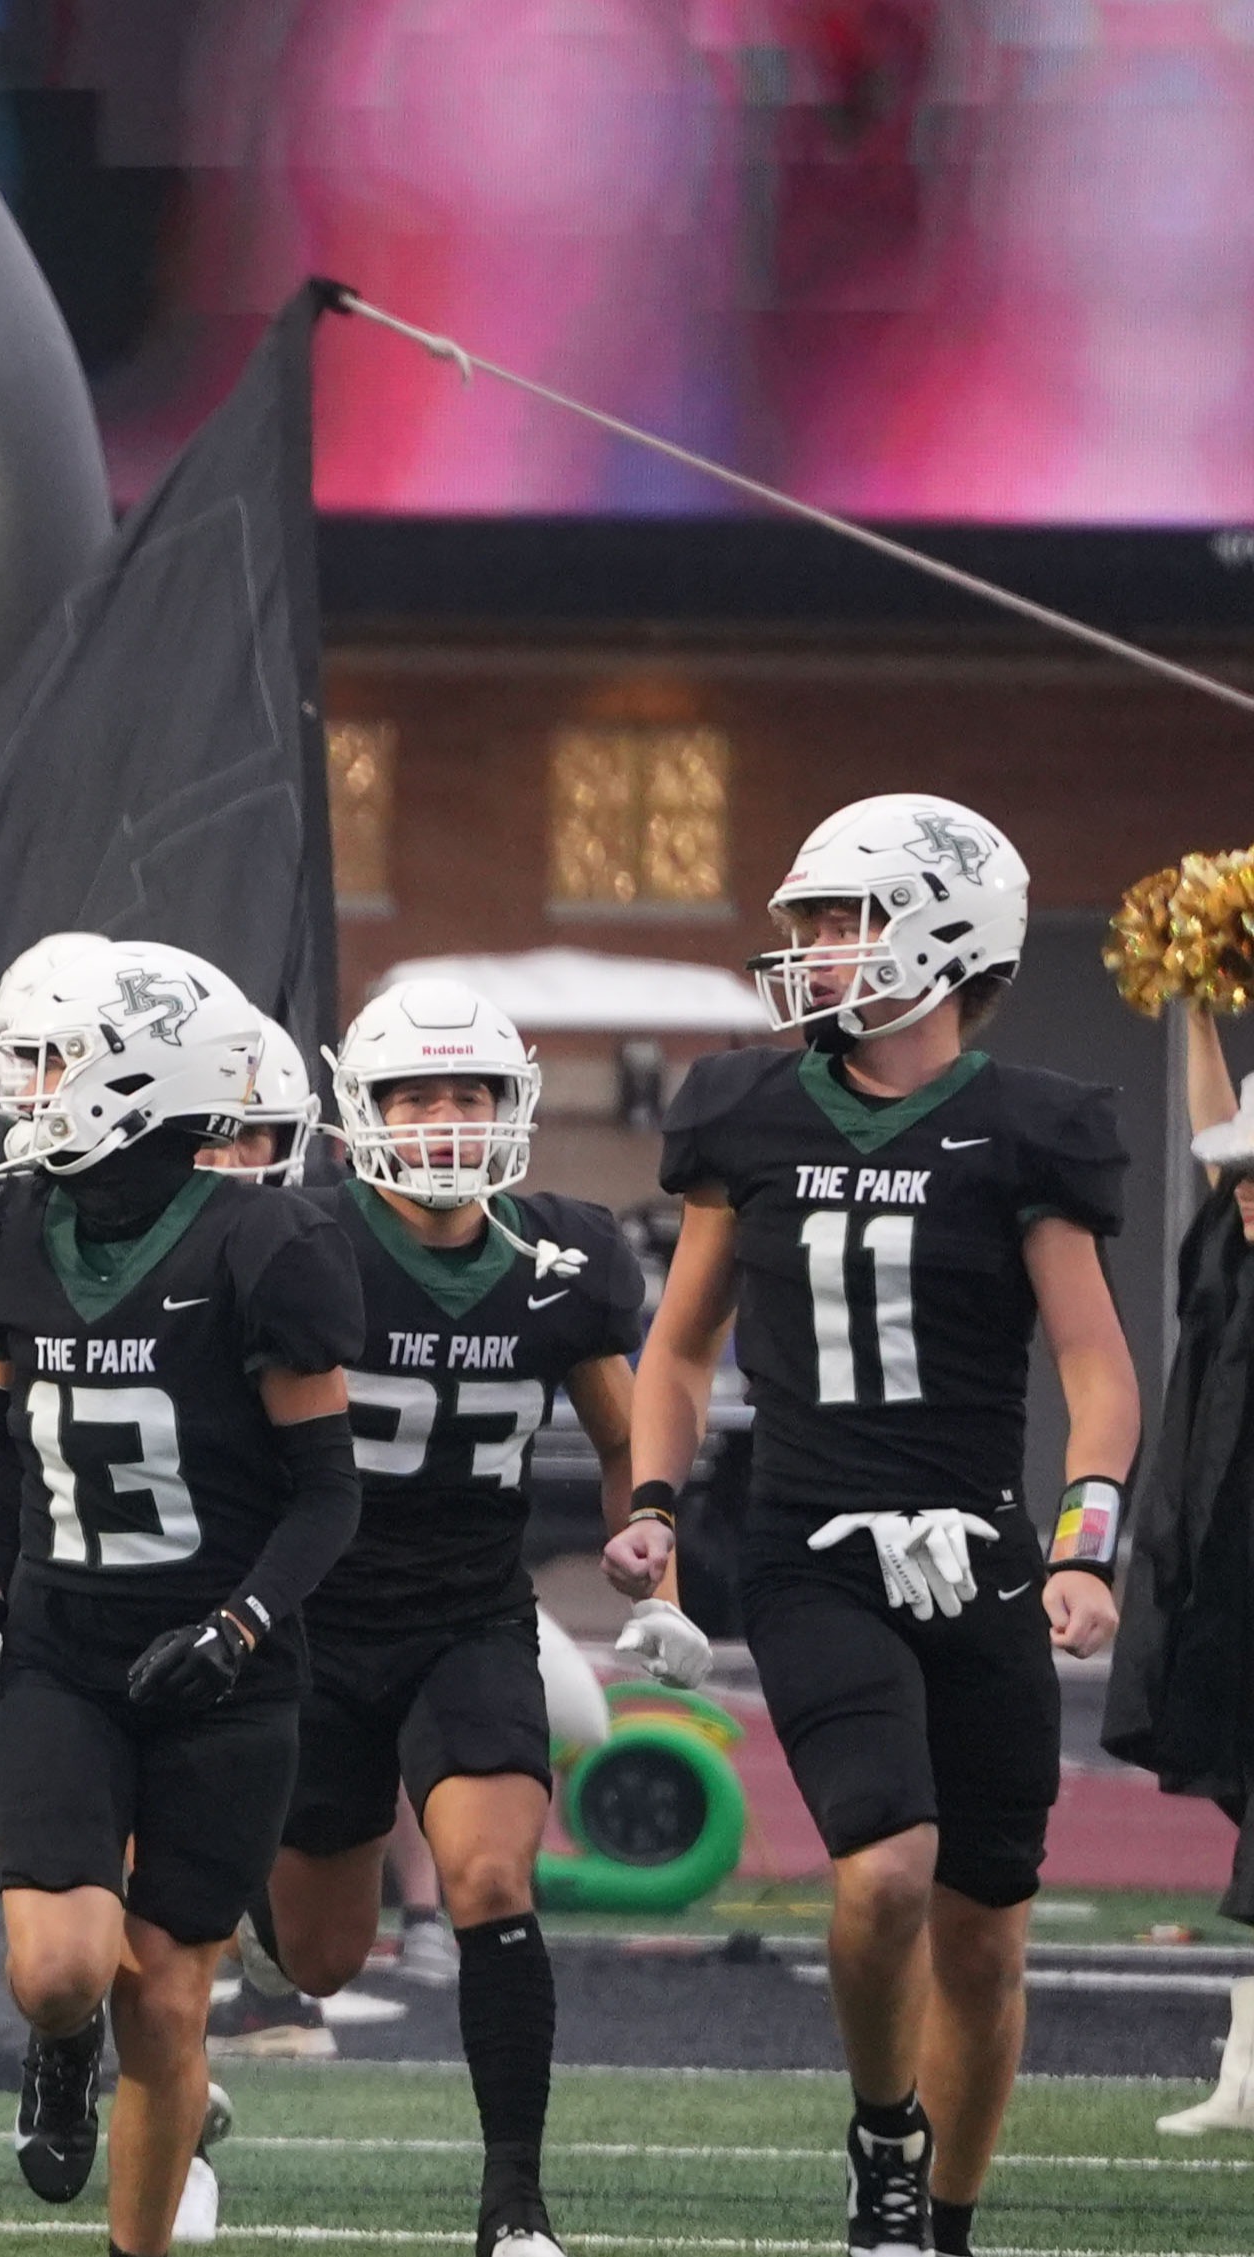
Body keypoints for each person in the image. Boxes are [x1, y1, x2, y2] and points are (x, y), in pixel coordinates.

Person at [623, 797, 1132, 2257]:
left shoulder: (1031, 1125)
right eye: (812, 926)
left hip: (979, 1548)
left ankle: (944, 2223)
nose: (819, 953)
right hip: (812, 1548)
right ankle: (883, 2132)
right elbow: (676, 1348)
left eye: (847, 921)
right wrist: (652, 1503)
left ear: (951, 933)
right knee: (886, 1869)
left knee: (985, 1933)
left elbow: (1097, 1369)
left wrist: (1086, 1542)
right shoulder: (750, 1109)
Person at [0, 942, 360, 2257]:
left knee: (170, 2003)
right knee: (58, 1971)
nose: (30, 1088)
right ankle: (59, 2054)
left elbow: (327, 1494)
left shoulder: (263, 1241)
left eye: (56, 1061)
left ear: (135, 1075)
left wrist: (238, 1627)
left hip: (223, 1674)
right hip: (66, 1652)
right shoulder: (9, 1227)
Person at [261, 979, 639, 2257]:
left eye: (467, 1092)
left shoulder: (559, 1259)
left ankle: (515, 2205)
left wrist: (656, 1533)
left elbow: (630, 1441)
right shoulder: (304, 1241)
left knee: (489, 1876)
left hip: (471, 1620)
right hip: (316, 1625)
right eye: (414, 1095)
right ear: (362, 1114)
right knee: (317, 1957)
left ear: (510, 1103)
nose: (442, 1119)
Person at [1130, 1020, 1254, 2139]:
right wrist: (1199, 1009)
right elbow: (1217, 1138)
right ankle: (1250, 2071)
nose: (1248, 1192)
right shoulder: (1232, 1252)